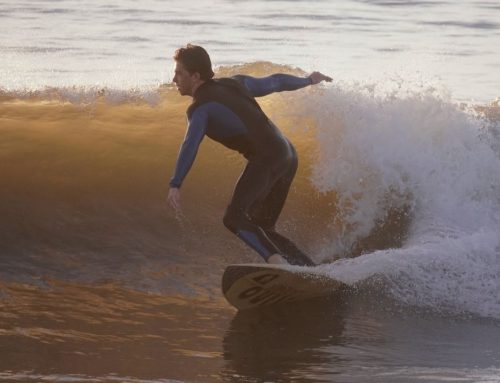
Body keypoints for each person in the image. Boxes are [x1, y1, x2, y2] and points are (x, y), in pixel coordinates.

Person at [167, 44, 332, 266]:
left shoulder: (200, 109)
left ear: (195, 76)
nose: (174, 79)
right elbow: (275, 82)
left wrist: (176, 183)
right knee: (262, 226)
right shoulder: (235, 83)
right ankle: (311, 270)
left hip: (267, 159)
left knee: (234, 218)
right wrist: (309, 79)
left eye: (179, 73)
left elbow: (190, 143)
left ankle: (277, 264)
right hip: (287, 154)